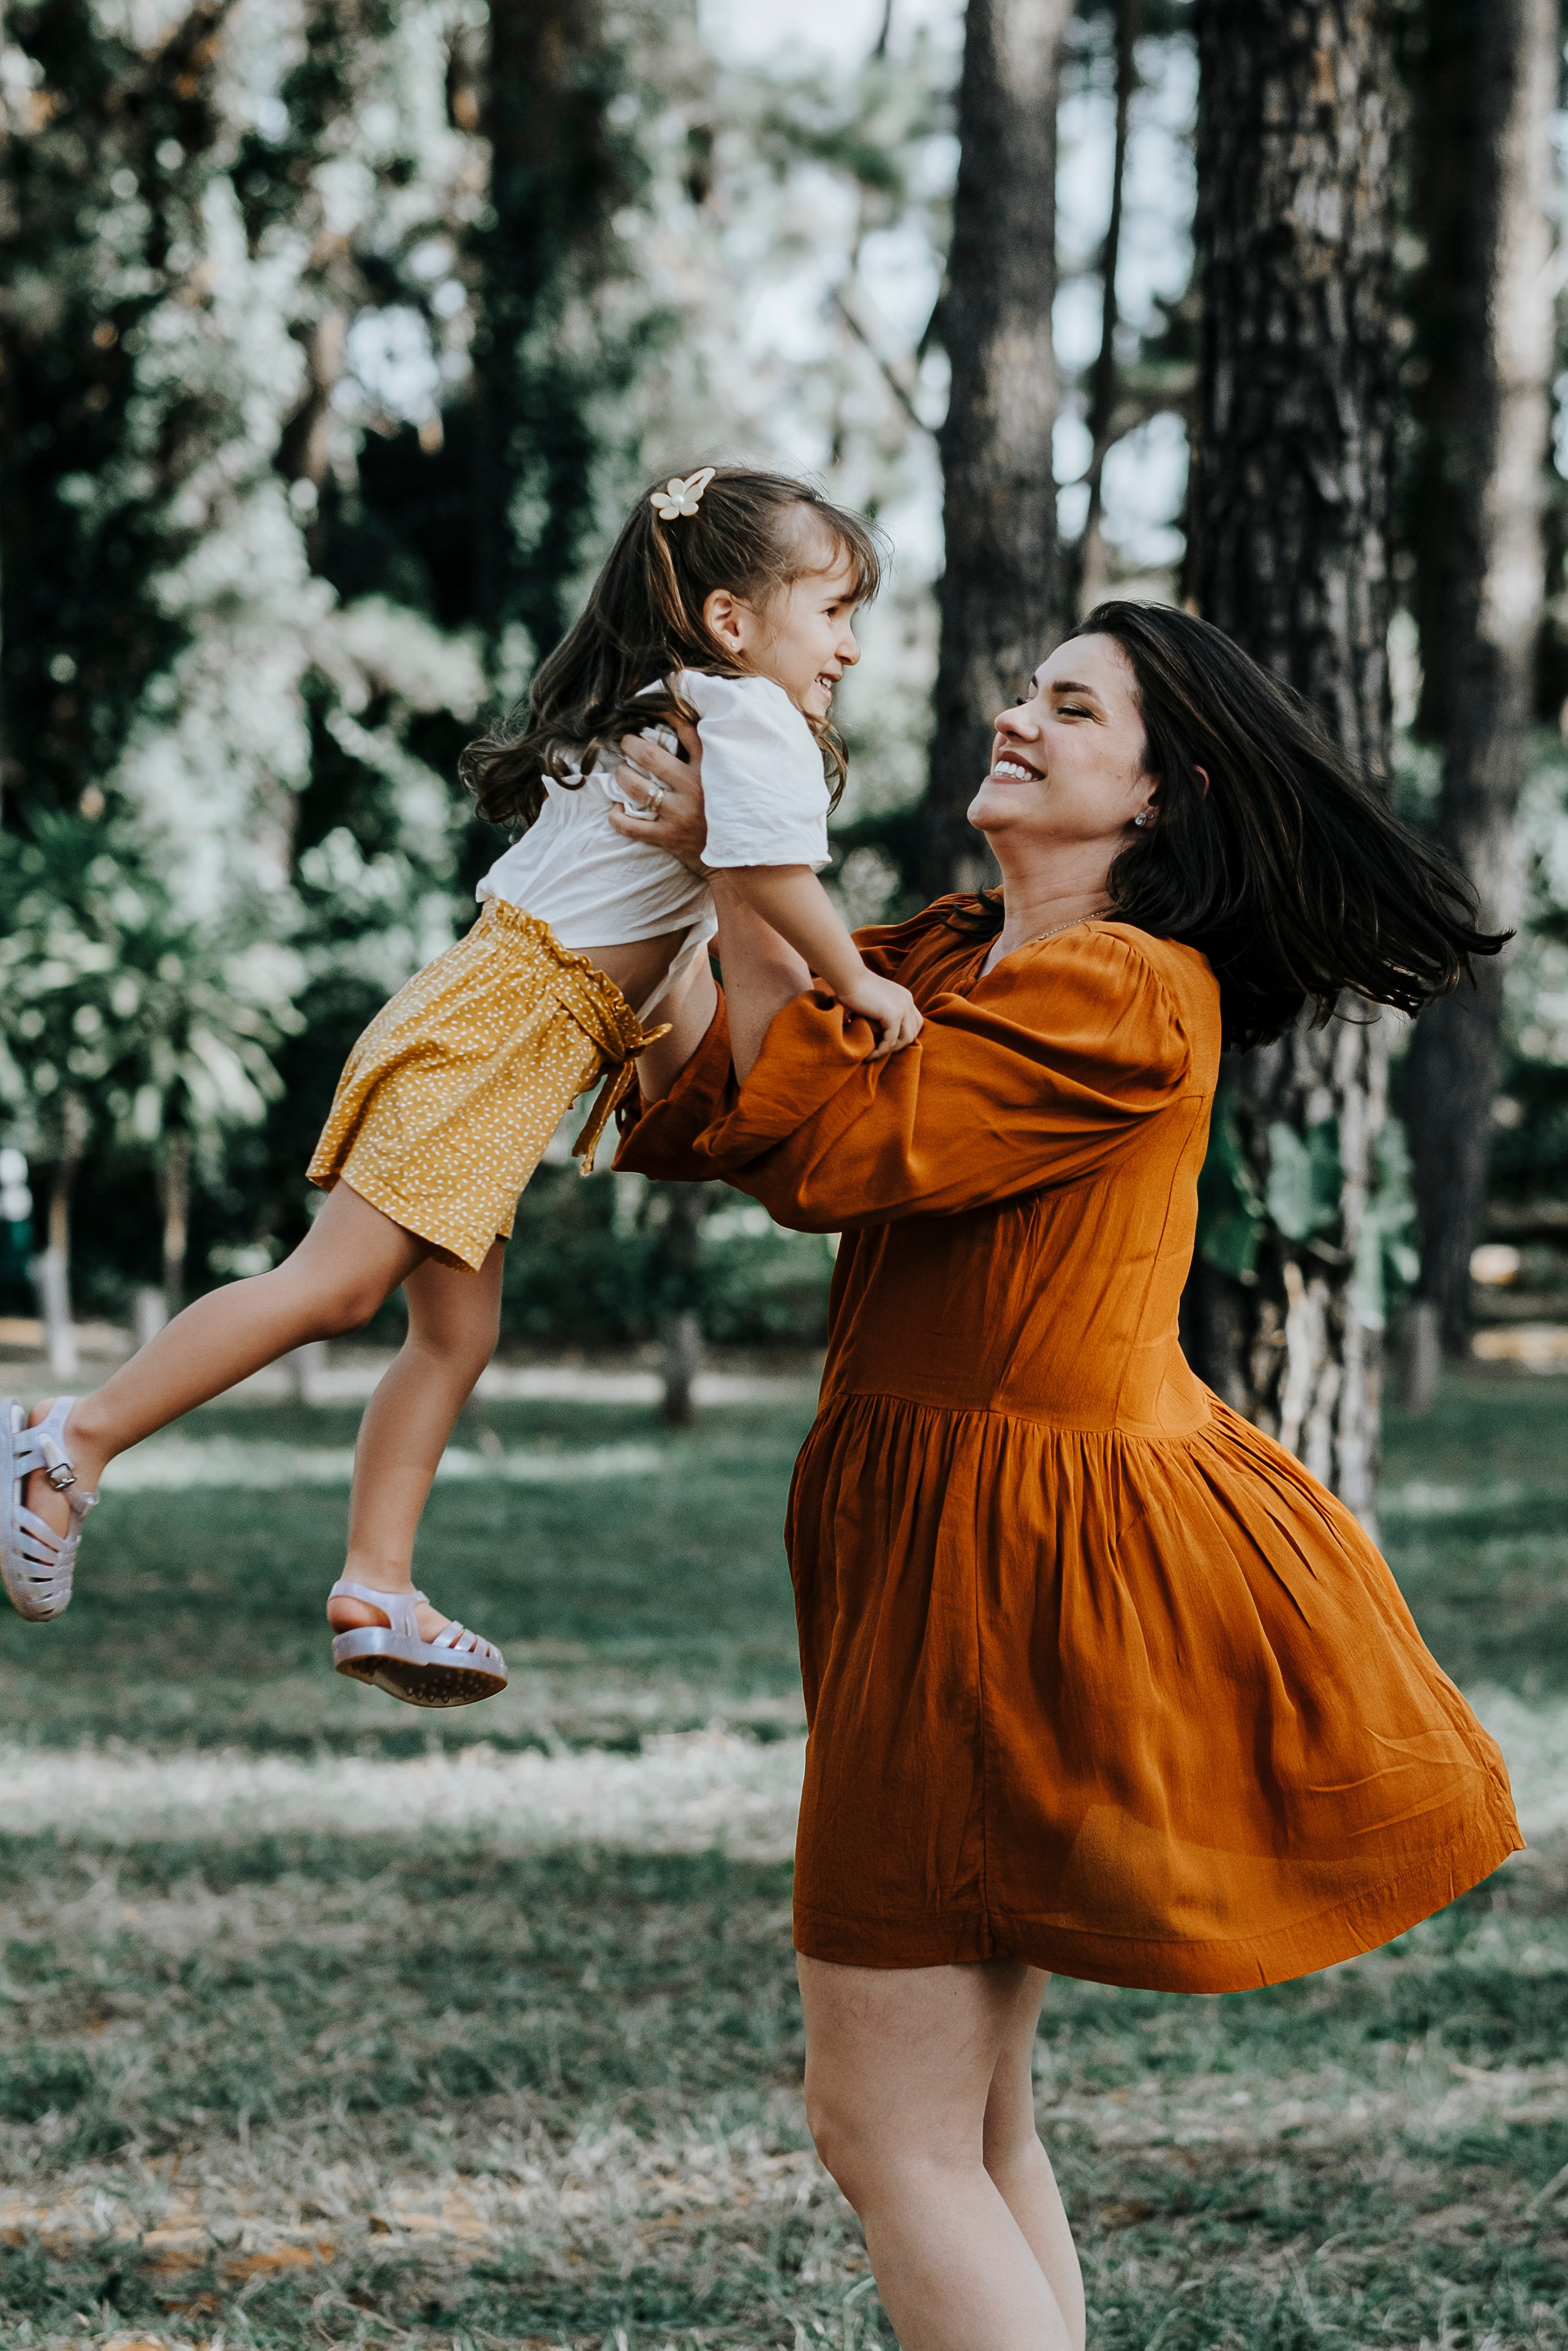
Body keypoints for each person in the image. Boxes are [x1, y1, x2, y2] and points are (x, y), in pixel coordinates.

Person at [605, 599, 1524, 2351]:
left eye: (1071, 707)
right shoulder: (955, 953)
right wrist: (687, 888)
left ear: (1158, 795)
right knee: (967, 2122)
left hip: (1001, 1565)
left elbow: (840, 1147)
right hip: (939, 1537)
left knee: (884, 2130)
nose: (1017, 717)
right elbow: (720, 1101)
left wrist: (749, 883)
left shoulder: (1121, 987)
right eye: (1030, 691)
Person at [1, 464, 918, 1707]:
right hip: (501, 1033)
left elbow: (689, 928)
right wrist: (852, 978)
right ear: (730, 621)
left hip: (500, 1026)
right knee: (332, 1287)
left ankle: (378, 1580)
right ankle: (69, 1438)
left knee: (455, 1332)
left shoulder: (683, 713)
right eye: (833, 612)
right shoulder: (745, 722)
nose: (851, 649)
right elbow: (769, 870)